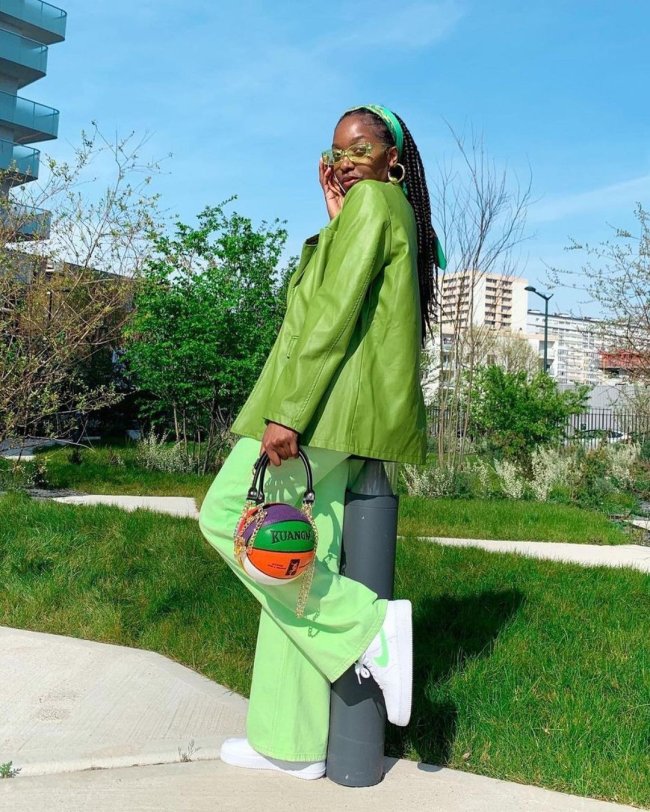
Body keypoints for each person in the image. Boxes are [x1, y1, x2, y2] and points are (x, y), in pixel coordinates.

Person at [199, 104, 445, 780]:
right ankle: (292, 740)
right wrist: (335, 226)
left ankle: (368, 628)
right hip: (347, 416)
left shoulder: (376, 205)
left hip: (325, 412)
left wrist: (288, 412)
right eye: (336, 150)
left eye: (360, 146)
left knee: (231, 519)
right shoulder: (378, 213)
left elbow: (328, 322)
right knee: (290, 556)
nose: (345, 159)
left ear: (393, 156)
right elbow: (324, 297)